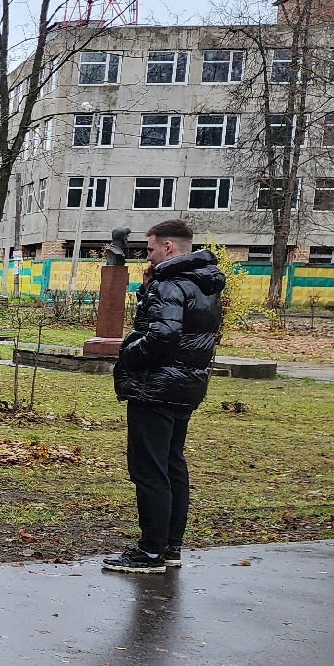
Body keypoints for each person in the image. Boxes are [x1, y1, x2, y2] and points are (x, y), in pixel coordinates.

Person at [103, 219, 225, 575]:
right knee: (172, 464)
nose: (149, 255)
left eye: (151, 248)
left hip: (155, 387)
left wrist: (127, 353)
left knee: (149, 469)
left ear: (168, 246)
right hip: (185, 385)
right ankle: (170, 547)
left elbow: (163, 334)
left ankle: (150, 552)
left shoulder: (169, 282)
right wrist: (147, 290)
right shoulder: (204, 282)